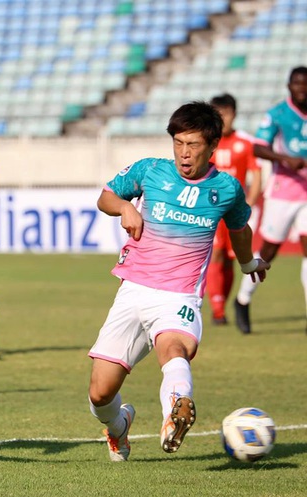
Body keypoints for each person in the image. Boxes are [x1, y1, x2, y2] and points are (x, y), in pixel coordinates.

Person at [87, 102, 269, 462]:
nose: (184, 154)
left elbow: (239, 228)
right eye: (179, 143)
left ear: (213, 145)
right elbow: (106, 197)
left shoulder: (226, 189)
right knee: (99, 394)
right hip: (133, 290)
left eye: (193, 145)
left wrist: (247, 262)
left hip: (179, 296)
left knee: (174, 350)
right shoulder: (149, 171)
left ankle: (176, 410)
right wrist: (125, 207)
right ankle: (119, 426)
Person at [234, 66, 307, 334]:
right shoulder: (277, 114)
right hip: (283, 191)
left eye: (305, 84)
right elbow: (258, 147)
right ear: (289, 86)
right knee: (269, 251)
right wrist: (285, 159)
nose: (302, 88)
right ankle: (243, 300)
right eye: (297, 84)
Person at [206, 94, 262, 325]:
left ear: (234, 114)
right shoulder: (207, 141)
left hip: (235, 209)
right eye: (217, 114)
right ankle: (217, 309)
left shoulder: (245, 143)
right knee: (216, 254)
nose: (222, 119)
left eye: (226, 114)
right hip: (210, 209)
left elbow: (256, 175)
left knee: (232, 259)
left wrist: (249, 202)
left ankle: (223, 303)